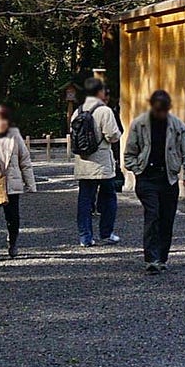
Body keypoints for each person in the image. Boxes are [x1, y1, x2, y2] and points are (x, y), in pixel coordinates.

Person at [123, 90, 185, 274]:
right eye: (158, 110)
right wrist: (137, 169)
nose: (161, 114)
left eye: (164, 110)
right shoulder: (139, 125)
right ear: (152, 108)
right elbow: (129, 153)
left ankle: (162, 257)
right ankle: (151, 259)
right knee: (152, 214)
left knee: (167, 218)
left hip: (168, 177)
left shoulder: (178, 127)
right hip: (147, 176)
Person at [73, 78, 121, 247]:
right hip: (101, 162)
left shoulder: (78, 110)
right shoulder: (104, 111)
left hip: (83, 161)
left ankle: (85, 237)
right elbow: (112, 135)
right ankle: (106, 232)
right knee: (108, 197)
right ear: (100, 92)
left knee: (85, 200)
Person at [0, 105, 35, 260]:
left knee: (13, 218)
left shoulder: (14, 135)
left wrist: (30, 183)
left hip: (12, 184)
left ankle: (12, 242)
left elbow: (25, 160)